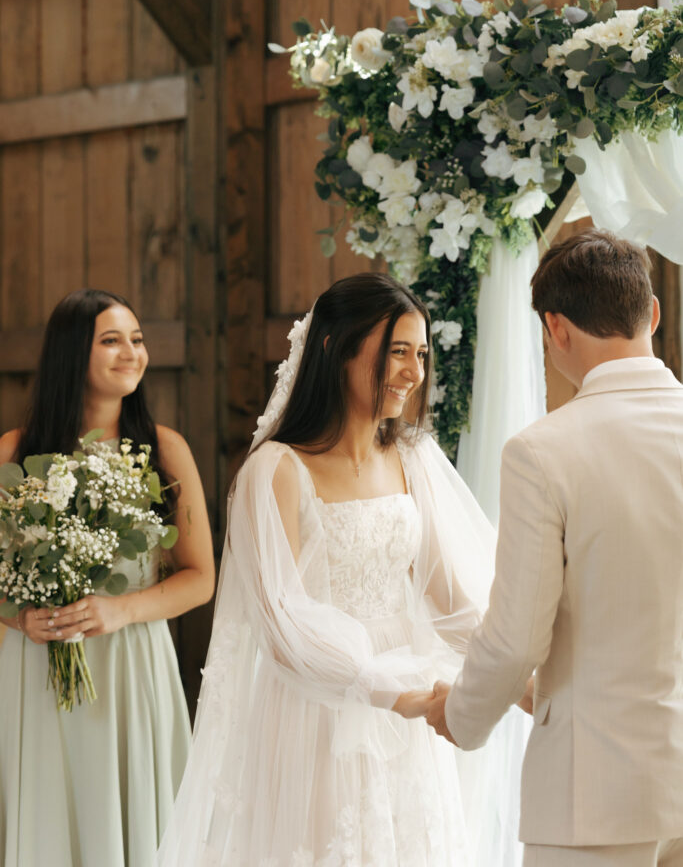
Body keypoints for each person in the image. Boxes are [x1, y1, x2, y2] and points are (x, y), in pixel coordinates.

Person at [158, 271, 525, 867]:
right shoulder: (273, 471)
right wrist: (399, 694)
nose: (415, 372)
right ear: (336, 347)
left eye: (421, 353)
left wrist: (519, 678)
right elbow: (284, 628)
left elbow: (453, 601)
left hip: (410, 721)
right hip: (316, 713)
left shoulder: (412, 457)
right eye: (397, 352)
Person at [427, 229, 683, 866]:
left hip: (595, 792)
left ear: (555, 329)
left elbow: (517, 640)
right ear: (652, 313)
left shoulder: (544, 452)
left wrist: (460, 717)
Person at [0, 289, 215, 867]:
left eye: (137, 340)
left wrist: (123, 610)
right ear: (74, 354)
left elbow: (201, 578)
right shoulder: (15, 455)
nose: (132, 353)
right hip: (37, 670)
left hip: (130, 663)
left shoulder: (164, 451)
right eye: (112, 340)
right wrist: (18, 617)